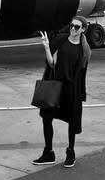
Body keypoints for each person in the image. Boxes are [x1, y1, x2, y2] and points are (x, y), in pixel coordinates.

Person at [33, 16, 92, 168]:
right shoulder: (61, 40)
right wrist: (47, 47)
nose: (73, 29)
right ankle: (48, 153)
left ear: (83, 29)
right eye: (71, 25)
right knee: (47, 118)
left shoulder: (84, 49)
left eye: (77, 27)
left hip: (71, 89)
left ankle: (71, 152)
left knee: (72, 121)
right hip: (55, 86)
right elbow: (51, 63)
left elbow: (82, 73)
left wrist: (80, 94)